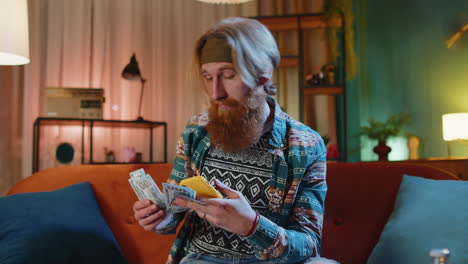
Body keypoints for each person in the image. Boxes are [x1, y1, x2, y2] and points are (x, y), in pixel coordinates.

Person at [133, 17, 328, 264]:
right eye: (207, 76)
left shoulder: (305, 145)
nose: (216, 93)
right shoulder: (197, 131)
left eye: (228, 75)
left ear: (262, 76)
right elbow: (174, 211)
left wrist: (252, 226)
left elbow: (309, 245)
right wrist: (160, 217)